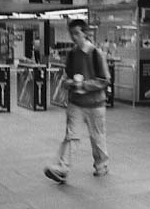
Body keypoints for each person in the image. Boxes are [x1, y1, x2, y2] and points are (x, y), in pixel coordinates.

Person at [44, 19, 110, 183]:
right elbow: (67, 75)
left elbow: (104, 79)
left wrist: (83, 85)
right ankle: (62, 169)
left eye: (77, 34)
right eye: (71, 34)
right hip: (76, 104)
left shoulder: (96, 54)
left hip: (95, 104)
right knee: (71, 136)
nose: (74, 37)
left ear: (85, 33)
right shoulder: (72, 54)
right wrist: (68, 83)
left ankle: (101, 165)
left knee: (97, 137)